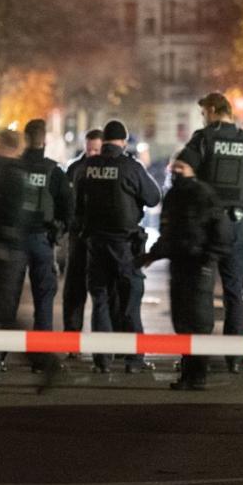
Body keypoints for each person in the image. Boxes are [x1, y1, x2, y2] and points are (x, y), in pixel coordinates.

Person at [0, 129, 60, 391]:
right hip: (6, 253)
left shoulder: (11, 175)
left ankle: (44, 361)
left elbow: (9, 214)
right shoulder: (10, 174)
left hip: (8, 254)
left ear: (6, 147)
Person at [178, 92, 243, 373]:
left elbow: (180, 169)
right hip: (236, 226)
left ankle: (198, 358)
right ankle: (235, 356)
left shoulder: (203, 139)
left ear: (215, 111)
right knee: (234, 291)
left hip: (205, 227)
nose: (203, 118)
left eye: (204, 113)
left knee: (200, 291)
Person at [77, 120, 162, 373]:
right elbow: (153, 196)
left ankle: (102, 360)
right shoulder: (130, 167)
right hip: (124, 245)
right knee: (130, 300)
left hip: (96, 242)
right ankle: (134, 359)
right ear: (123, 141)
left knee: (100, 300)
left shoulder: (87, 166)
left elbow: (78, 203)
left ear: (103, 141)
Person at [143, 157, 232, 390]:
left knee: (199, 321)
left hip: (199, 266)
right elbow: (168, 232)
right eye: (174, 167)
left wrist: (209, 258)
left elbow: (221, 231)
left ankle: (198, 374)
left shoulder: (205, 194)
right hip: (179, 265)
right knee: (181, 321)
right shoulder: (173, 195)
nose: (176, 171)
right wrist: (151, 256)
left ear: (193, 168)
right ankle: (188, 373)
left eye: (181, 166)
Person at [17, 119, 73, 343]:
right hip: (42, 239)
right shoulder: (54, 172)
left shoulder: (13, 168)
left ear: (26, 139)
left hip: (15, 241)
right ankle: (41, 355)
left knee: (8, 300)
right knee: (44, 298)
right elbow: (68, 207)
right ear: (45, 141)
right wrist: (58, 231)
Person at [62, 129, 103, 345]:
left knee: (101, 292)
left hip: (99, 235)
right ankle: (71, 337)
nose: (92, 154)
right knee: (74, 288)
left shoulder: (107, 167)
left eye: (96, 149)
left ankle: (107, 342)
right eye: (89, 150)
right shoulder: (75, 168)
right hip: (79, 235)